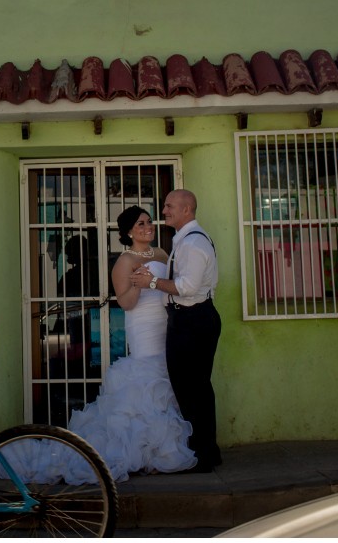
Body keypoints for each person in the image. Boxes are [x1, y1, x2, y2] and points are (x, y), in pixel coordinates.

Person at [0, 205, 196, 483]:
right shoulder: (124, 261)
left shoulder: (161, 253)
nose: (147, 227)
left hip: (164, 323)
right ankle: (139, 452)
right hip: (143, 327)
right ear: (128, 232)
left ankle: (157, 450)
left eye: (149, 221)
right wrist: (139, 283)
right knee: (145, 383)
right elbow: (125, 303)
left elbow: (170, 286)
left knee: (167, 378)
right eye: (140, 224)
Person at [150, 189, 222, 472]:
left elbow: (186, 288)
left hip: (193, 320)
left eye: (169, 206)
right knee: (193, 388)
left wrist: (152, 283)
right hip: (190, 320)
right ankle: (204, 451)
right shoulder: (187, 240)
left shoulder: (193, 244)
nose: (164, 210)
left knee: (194, 388)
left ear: (186, 209)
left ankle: (203, 455)